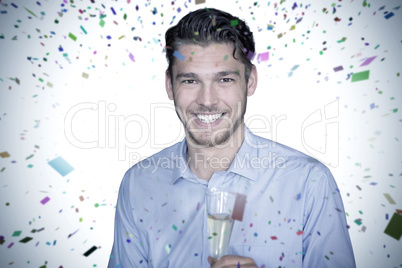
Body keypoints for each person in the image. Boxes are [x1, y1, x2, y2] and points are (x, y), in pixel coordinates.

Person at [108, 7, 356, 268]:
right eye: (190, 81)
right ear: (170, 85)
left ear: (250, 82)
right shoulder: (138, 183)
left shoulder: (309, 182)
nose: (207, 100)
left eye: (224, 79)